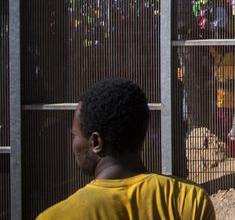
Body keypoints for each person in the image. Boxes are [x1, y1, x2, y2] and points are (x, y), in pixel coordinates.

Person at [37, 79, 215, 219]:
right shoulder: (189, 201)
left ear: (96, 142)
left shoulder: (56, 216)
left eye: (75, 135)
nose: (74, 143)